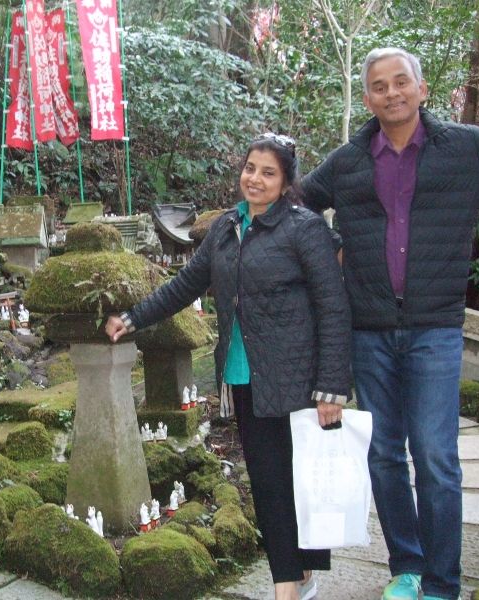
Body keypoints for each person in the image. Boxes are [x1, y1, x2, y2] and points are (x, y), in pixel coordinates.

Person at [302, 47, 479, 600]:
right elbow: (296, 206)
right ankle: (407, 567)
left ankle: (443, 583)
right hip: (368, 329)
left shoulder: (468, 149)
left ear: (422, 90)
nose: (391, 92)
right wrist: (329, 256)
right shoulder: (349, 160)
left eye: (401, 82)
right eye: (379, 85)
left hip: (435, 329)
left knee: (436, 455)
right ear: (368, 97)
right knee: (383, 453)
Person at [106, 133, 351, 600]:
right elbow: (185, 285)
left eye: (268, 172)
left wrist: (332, 387)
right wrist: (134, 317)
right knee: (268, 484)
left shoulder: (305, 229)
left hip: (298, 377)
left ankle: (298, 574)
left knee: (302, 482)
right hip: (244, 374)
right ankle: (290, 583)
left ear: (286, 182)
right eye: (250, 168)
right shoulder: (225, 228)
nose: (255, 179)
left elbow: (333, 307)